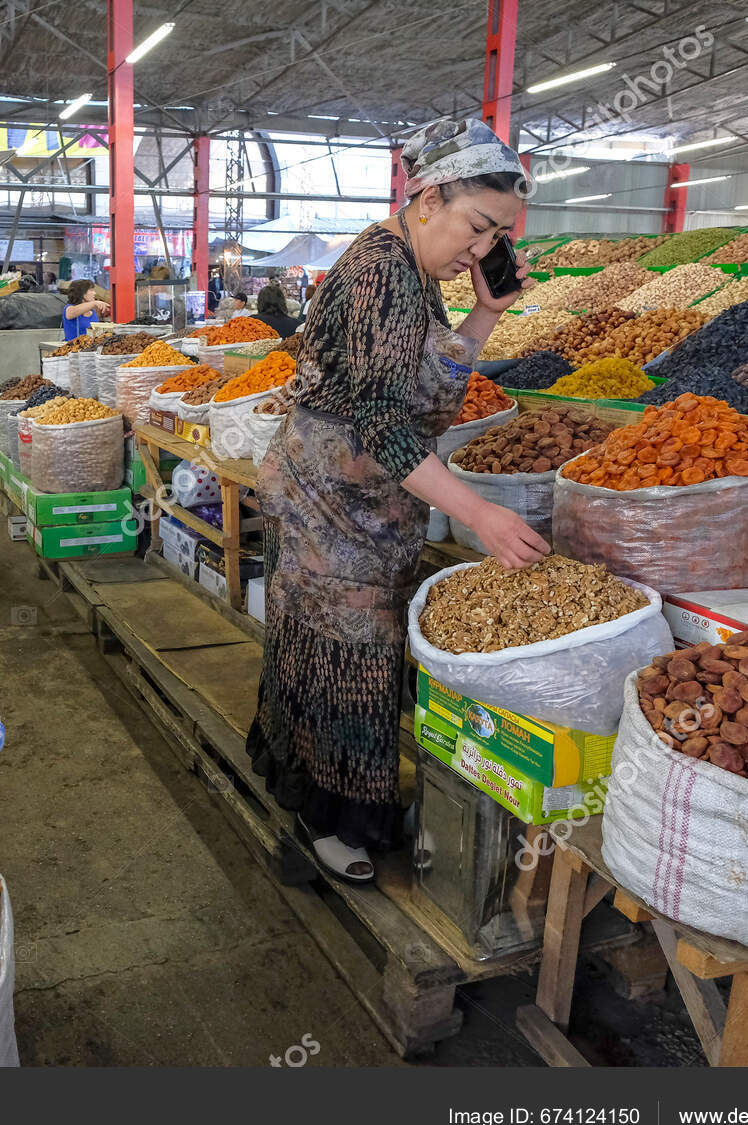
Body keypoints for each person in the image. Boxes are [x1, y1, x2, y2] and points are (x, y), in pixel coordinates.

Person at [248, 118, 547, 883]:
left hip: (367, 503)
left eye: (497, 236)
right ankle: (332, 821)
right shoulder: (383, 270)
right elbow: (383, 424)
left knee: (336, 647)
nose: (481, 250)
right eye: (477, 227)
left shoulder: (419, 274)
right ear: (429, 196)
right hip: (331, 501)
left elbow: (424, 408)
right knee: (348, 652)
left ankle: (335, 801)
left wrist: (487, 313)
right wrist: (479, 513)